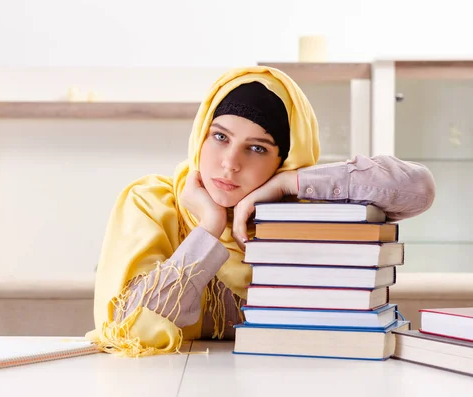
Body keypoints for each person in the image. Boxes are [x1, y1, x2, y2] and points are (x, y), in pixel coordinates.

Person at [85, 66, 436, 357]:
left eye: (256, 147)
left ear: (283, 159)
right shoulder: (152, 202)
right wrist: (208, 227)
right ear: (201, 136)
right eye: (220, 137)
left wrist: (287, 185)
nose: (230, 164)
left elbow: (418, 190)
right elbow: (128, 329)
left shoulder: (298, 215)